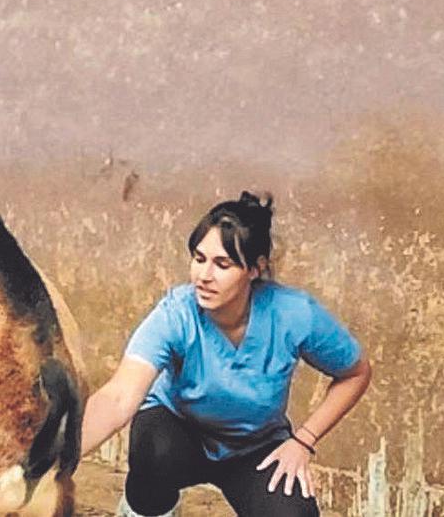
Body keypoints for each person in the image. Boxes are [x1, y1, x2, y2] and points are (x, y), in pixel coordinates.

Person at [80, 191, 373, 516]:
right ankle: (147, 510)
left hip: (254, 446)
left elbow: (356, 373)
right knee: (153, 448)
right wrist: (50, 460)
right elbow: (120, 397)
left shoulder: (294, 313)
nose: (204, 276)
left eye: (223, 264)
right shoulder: (177, 313)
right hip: (179, 432)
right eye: (199, 258)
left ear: (254, 269)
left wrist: (303, 440)